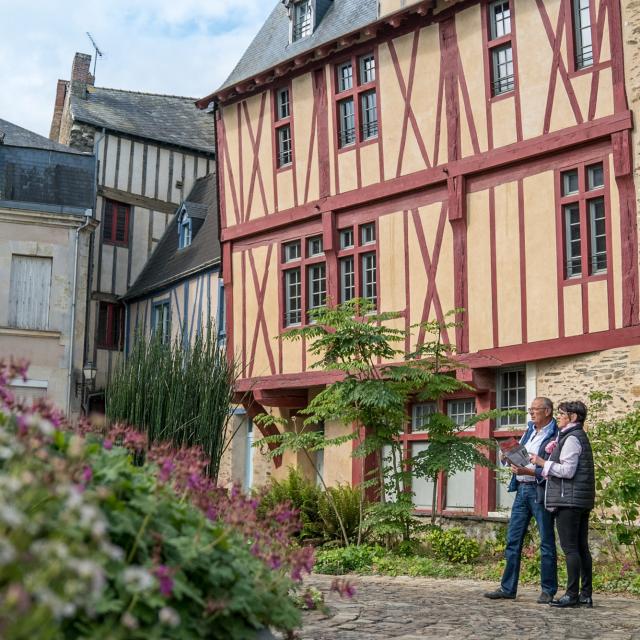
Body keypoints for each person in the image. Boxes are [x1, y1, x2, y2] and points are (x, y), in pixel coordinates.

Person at [484, 397, 558, 603]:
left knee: (546, 541)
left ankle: (548, 590)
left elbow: (554, 468)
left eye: (535, 409)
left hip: (540, 490)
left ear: (548, 411)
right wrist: (506, 456)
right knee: (513, 540)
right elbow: (520, 455)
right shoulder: (529, 431)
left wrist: (531, 471)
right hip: (522, 490)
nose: (531, 413)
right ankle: (508, 588)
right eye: (530, 409)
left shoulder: (556, 435)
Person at [530, 400, 595, 608]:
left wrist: (542, 463)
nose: (559, 417)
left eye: (562, 414)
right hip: (578, 500)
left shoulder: (573, 438)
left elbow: (567, 471)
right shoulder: (572, 437)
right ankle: (585, 594)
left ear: (573, 418)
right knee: (581, 547)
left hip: (569, 501)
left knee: (571, 549)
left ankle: (572, 594)